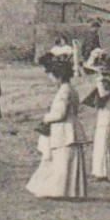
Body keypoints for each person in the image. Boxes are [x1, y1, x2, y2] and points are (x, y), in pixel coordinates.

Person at [26, 53, 89, 200]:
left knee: (62, 161)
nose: (51, 79)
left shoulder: (63, 91)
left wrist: (46, 117)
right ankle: (69, 190)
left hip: (64, 129)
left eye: (52, 76)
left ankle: (61, 190)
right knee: (66, 161)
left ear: (58, 76)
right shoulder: (71, 89)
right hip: (70, 127)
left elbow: (60, 114)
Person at [83, 52, 110, 181]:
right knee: (102, 141)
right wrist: (93, 57)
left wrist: (99, 80)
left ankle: (108, 173)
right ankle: (103, 172)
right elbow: (88, 67)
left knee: (108, 143)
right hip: (106, 113)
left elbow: (103, 94)